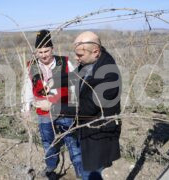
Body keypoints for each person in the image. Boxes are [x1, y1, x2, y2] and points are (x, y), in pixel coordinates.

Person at [37, 31, 122, 180]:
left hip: (98, 135)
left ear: (95, 51)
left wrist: (52, 107)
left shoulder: (109, 75)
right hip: (86, 129)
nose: (76, 58)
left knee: (91, 172)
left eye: (80, 55)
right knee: (87, 168)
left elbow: (87, 108)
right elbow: (75, 76)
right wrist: (53, 82)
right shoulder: (91, 62)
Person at [21, 29, 84, 178]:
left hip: (64, 111)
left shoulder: (65, 62)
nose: (43, 55)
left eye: (46, 51)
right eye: (40, 52)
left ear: (52, 49)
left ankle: (81, 172)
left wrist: (74, 108)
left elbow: (75, 85)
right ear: (36, 52)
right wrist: (25, 108)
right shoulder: (32, 66)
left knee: (73, 143)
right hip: (43, 114)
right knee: (48, 142)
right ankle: (51, 167)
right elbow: (27, 88)